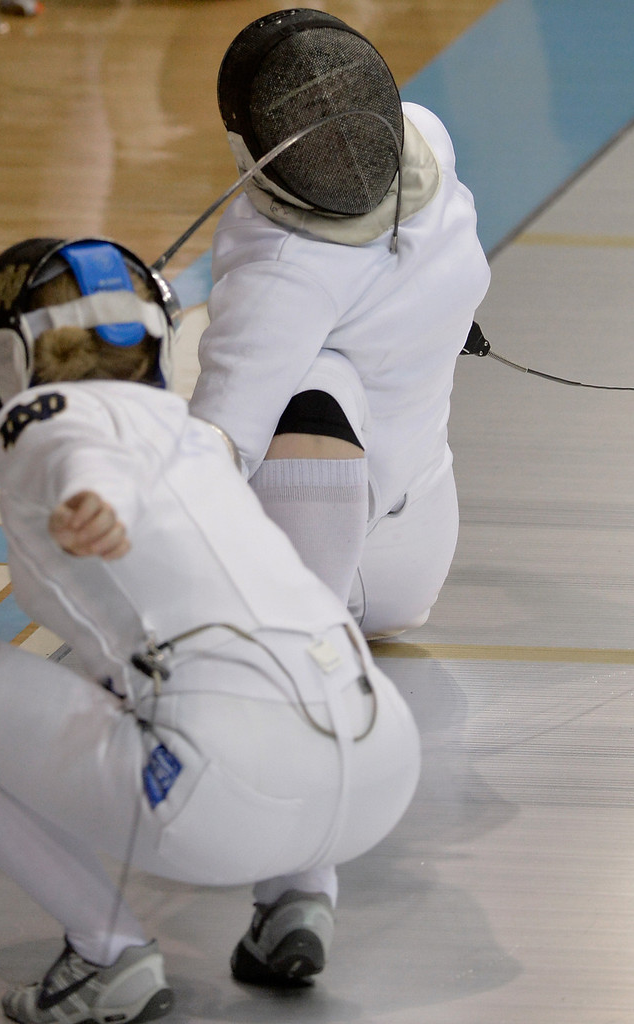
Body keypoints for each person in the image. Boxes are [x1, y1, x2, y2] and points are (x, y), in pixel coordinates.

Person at [0, 236, 421, 1024]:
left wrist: (93, 500)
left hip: (226, 807)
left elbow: (76, 448)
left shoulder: (41, 417)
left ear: (13, 353)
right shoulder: (199, 437)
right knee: (208, 661)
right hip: (382, 767)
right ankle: (297, 902)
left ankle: (105, 953)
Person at [189, 9, 492, 638]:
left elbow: (216, 452)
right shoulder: (427, 135)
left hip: (338, 570)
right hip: (424, 538)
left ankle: (297, 647)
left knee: (310, 384)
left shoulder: (278, 271)